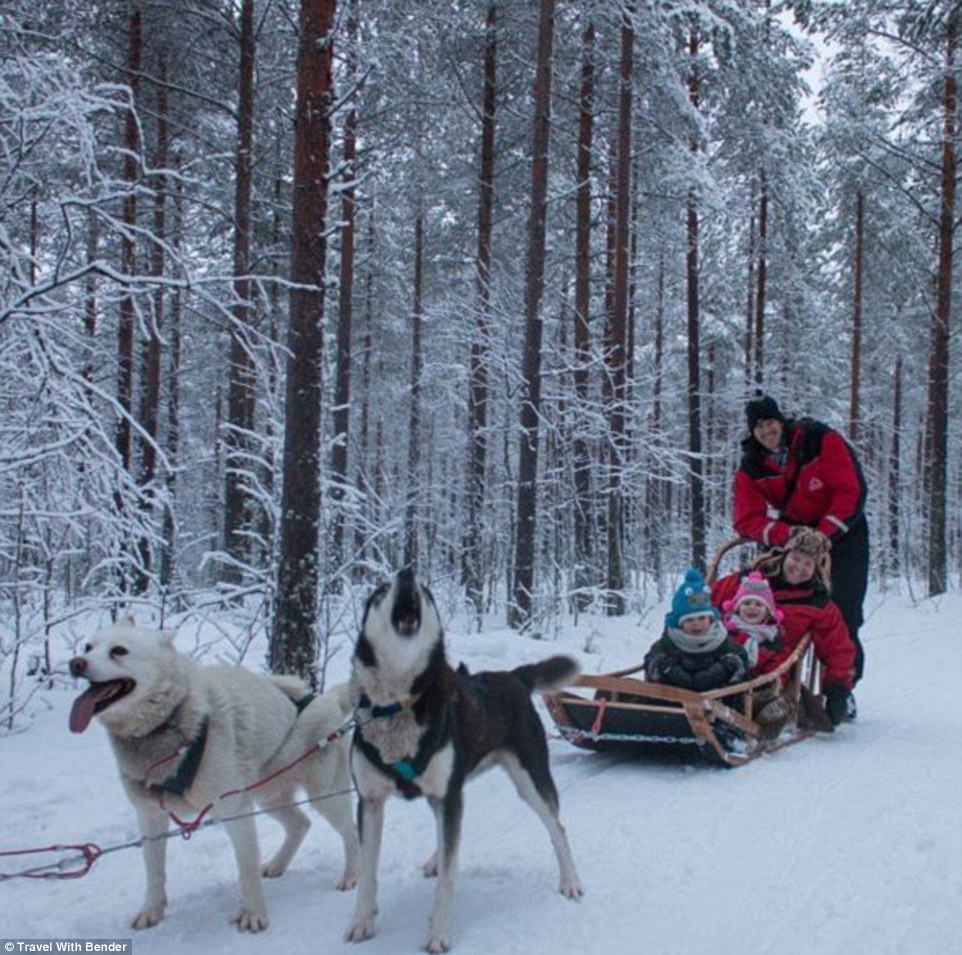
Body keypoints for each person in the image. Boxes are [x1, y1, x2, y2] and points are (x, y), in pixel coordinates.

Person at [733, 390, 868, 710]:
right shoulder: (752, 464)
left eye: (770, 422)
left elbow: (850, 491)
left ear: (781, 421)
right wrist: (787, 535)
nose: (766, 431)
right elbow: (745, 518)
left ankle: (841, 688)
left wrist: (822, 536)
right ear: (752, 432)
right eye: (759, 427)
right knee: (774, 609)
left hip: (843, 533)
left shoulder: (819, 440)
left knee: (843, 613)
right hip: (792, 540)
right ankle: (767, 678)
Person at [711, 526, 857, 726]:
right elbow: (705, 603)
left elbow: (838, 647)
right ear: (783, 555)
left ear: (816, 569)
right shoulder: (749, 581)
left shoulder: (817, 603)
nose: (799, 567)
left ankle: (762, 713)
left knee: (768, 691)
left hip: (774, 666)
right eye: (795, 558)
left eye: (808, 563)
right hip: (727, 654)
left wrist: (837, 689)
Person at [645, 568, 750, 692]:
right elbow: (651, 662)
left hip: (719, 700)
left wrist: (729, 667)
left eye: (702, 618)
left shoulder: (723, 641)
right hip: (674, 700)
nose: (696, 624)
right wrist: (661, 666)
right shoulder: (669, 642)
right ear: (680, 624)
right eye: (689, 620)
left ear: (710, 619)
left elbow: (742, 662)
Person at [721, 570, 784, 673]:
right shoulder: (727, 629)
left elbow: (776, 661)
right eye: (746, 603)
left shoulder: (771, 636)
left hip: (755, 682)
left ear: (768, 613)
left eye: (758, 605)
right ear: (737, 609)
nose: (752, 607)